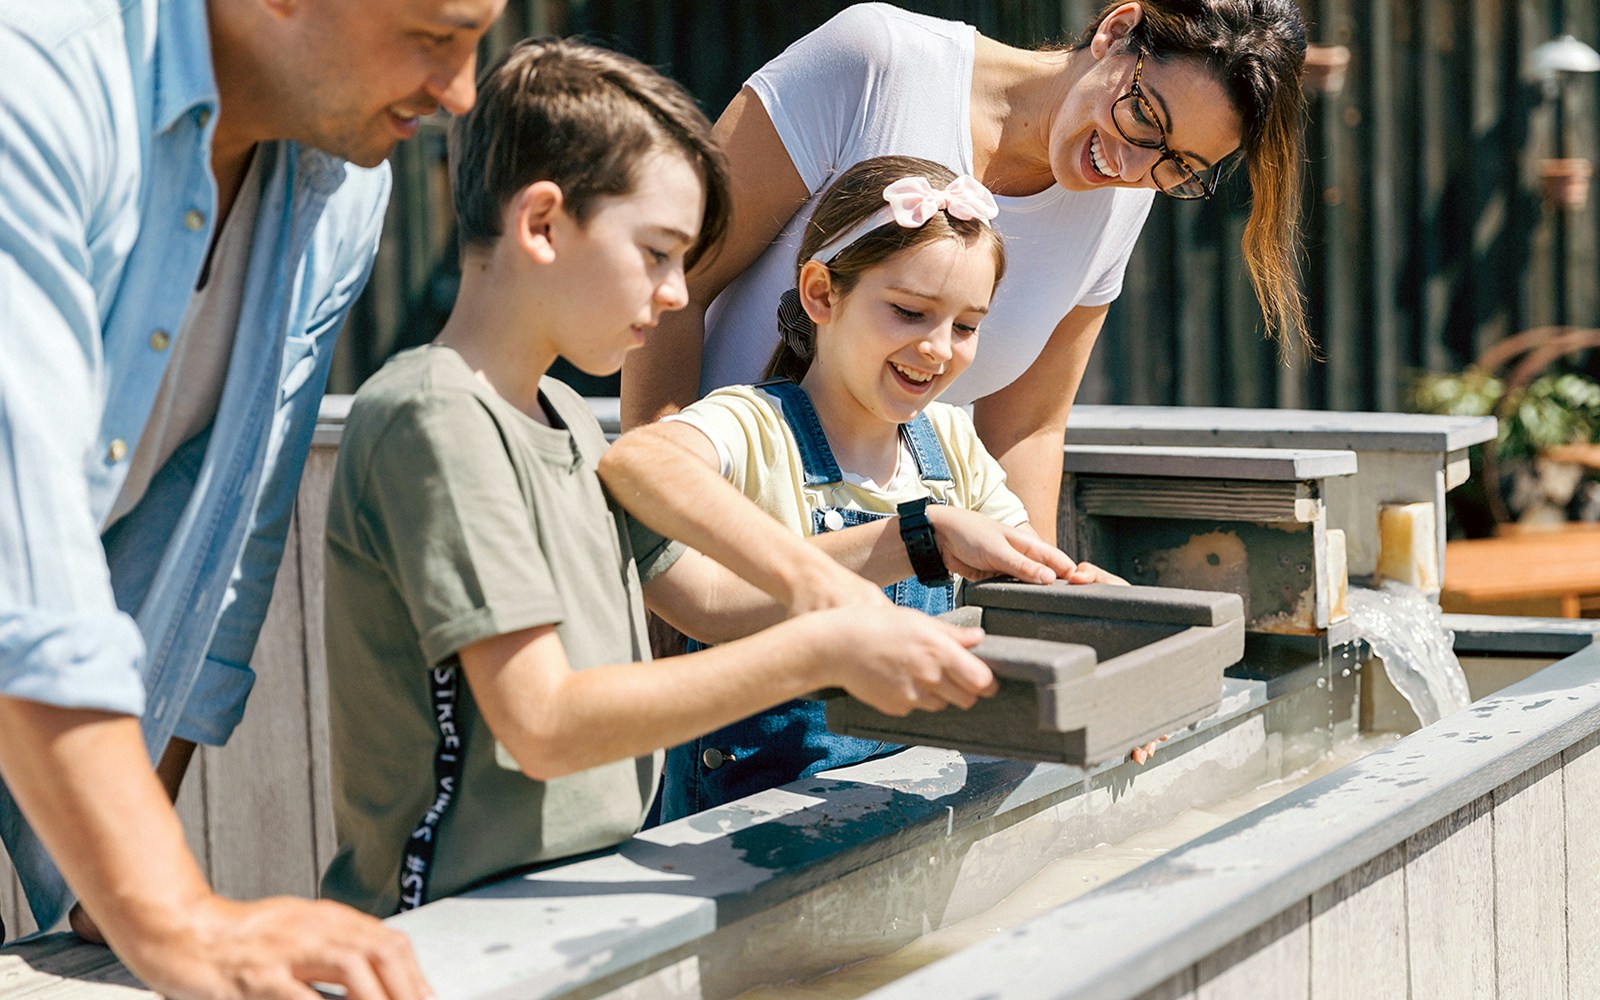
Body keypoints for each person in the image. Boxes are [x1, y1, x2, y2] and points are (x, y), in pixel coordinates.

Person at [318, 39, 1020, 918]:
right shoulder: (436, 417)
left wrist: (918, 538)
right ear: (541, 225)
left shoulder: (568, 418)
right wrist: (824, 646)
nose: (680, 294)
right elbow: (543, 723)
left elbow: (710, 604)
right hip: (450, 929)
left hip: (577, 901)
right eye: (656, 253)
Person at [0, 0, 503, 995]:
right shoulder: (35, 83)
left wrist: (130, 870)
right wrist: (172, 912)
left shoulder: (346, 188)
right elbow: (22, 560)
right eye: (437, 37)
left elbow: (224, 534)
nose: (462, 93)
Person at [621, 0, 1309, 542]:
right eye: (1143, 116)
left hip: (889, 572)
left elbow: (1026, 430)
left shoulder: (1124, 201)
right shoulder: (875, 64)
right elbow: (671, 283)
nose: (1130, 166)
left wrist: (1041, 619)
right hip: (716, 531)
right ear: (1118, 30)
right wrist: (667, 545)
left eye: (1180, 167)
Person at [604, 155, 1124, 821]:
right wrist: (912, 538)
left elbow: (1028, 584)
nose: (939, 348)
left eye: (966, 326)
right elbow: (639, 462)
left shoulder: (952, 443)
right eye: (911, 312)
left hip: (904, 814)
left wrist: (1107, 647)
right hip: (741, 839)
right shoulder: (754, 427)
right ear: (821, 294)